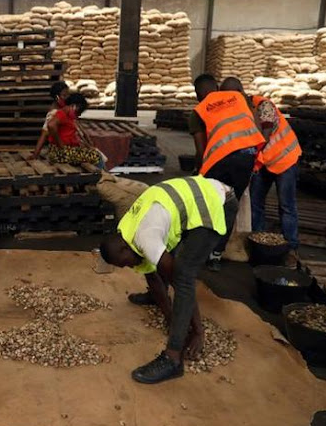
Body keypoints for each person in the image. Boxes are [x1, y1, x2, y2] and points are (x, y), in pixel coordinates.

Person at [99, 175, 237, 384]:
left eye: (125, 263)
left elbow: (182, 283)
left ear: (124, 248)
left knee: (183, 273)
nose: (129, 267)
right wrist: (170, 315)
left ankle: (173, 359)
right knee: (161, 265)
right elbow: (152, 274)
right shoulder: (126, 228)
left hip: (217, 203)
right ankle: (163, 305)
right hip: (198, 194)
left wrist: (197, 330)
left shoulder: (145, 237)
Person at [220, 77, 302, 266]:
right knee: (256, 204)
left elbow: (261, 138)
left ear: (240, 93)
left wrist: (249, 165)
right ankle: (257, 243)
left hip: (285, 159)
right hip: (265, 163)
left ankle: (291, 248)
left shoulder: (263, 106)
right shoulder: (240, 111)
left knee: (286, 205)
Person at [188, 73, 264, 271]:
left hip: (220, 160)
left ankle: (198, 250)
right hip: (247, 157)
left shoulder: (200, 110)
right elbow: (256, 128)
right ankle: (216, 256)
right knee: (230, 206)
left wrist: (200, 174)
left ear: (198, 94)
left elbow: (200, 149)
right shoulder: (239, 98)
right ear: (217, 87)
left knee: (209, 204)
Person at [45, 93, 101, 166]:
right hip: (60, 153)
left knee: (94, 153)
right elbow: (51, 125)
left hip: (61, 151)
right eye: (79, 111)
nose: (79, 114)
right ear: (74, 106)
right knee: (96, 157)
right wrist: (61, 145)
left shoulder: (68, 116)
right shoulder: (62, 113)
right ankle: (103, 176)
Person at [32, 81, 69, 159]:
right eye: (64, 95)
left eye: (68, 95)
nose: (67, 98)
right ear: (57, 97)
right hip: (62, 150)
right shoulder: (53, 113)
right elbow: (44, 134)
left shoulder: (64, 109)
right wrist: (35, 155)